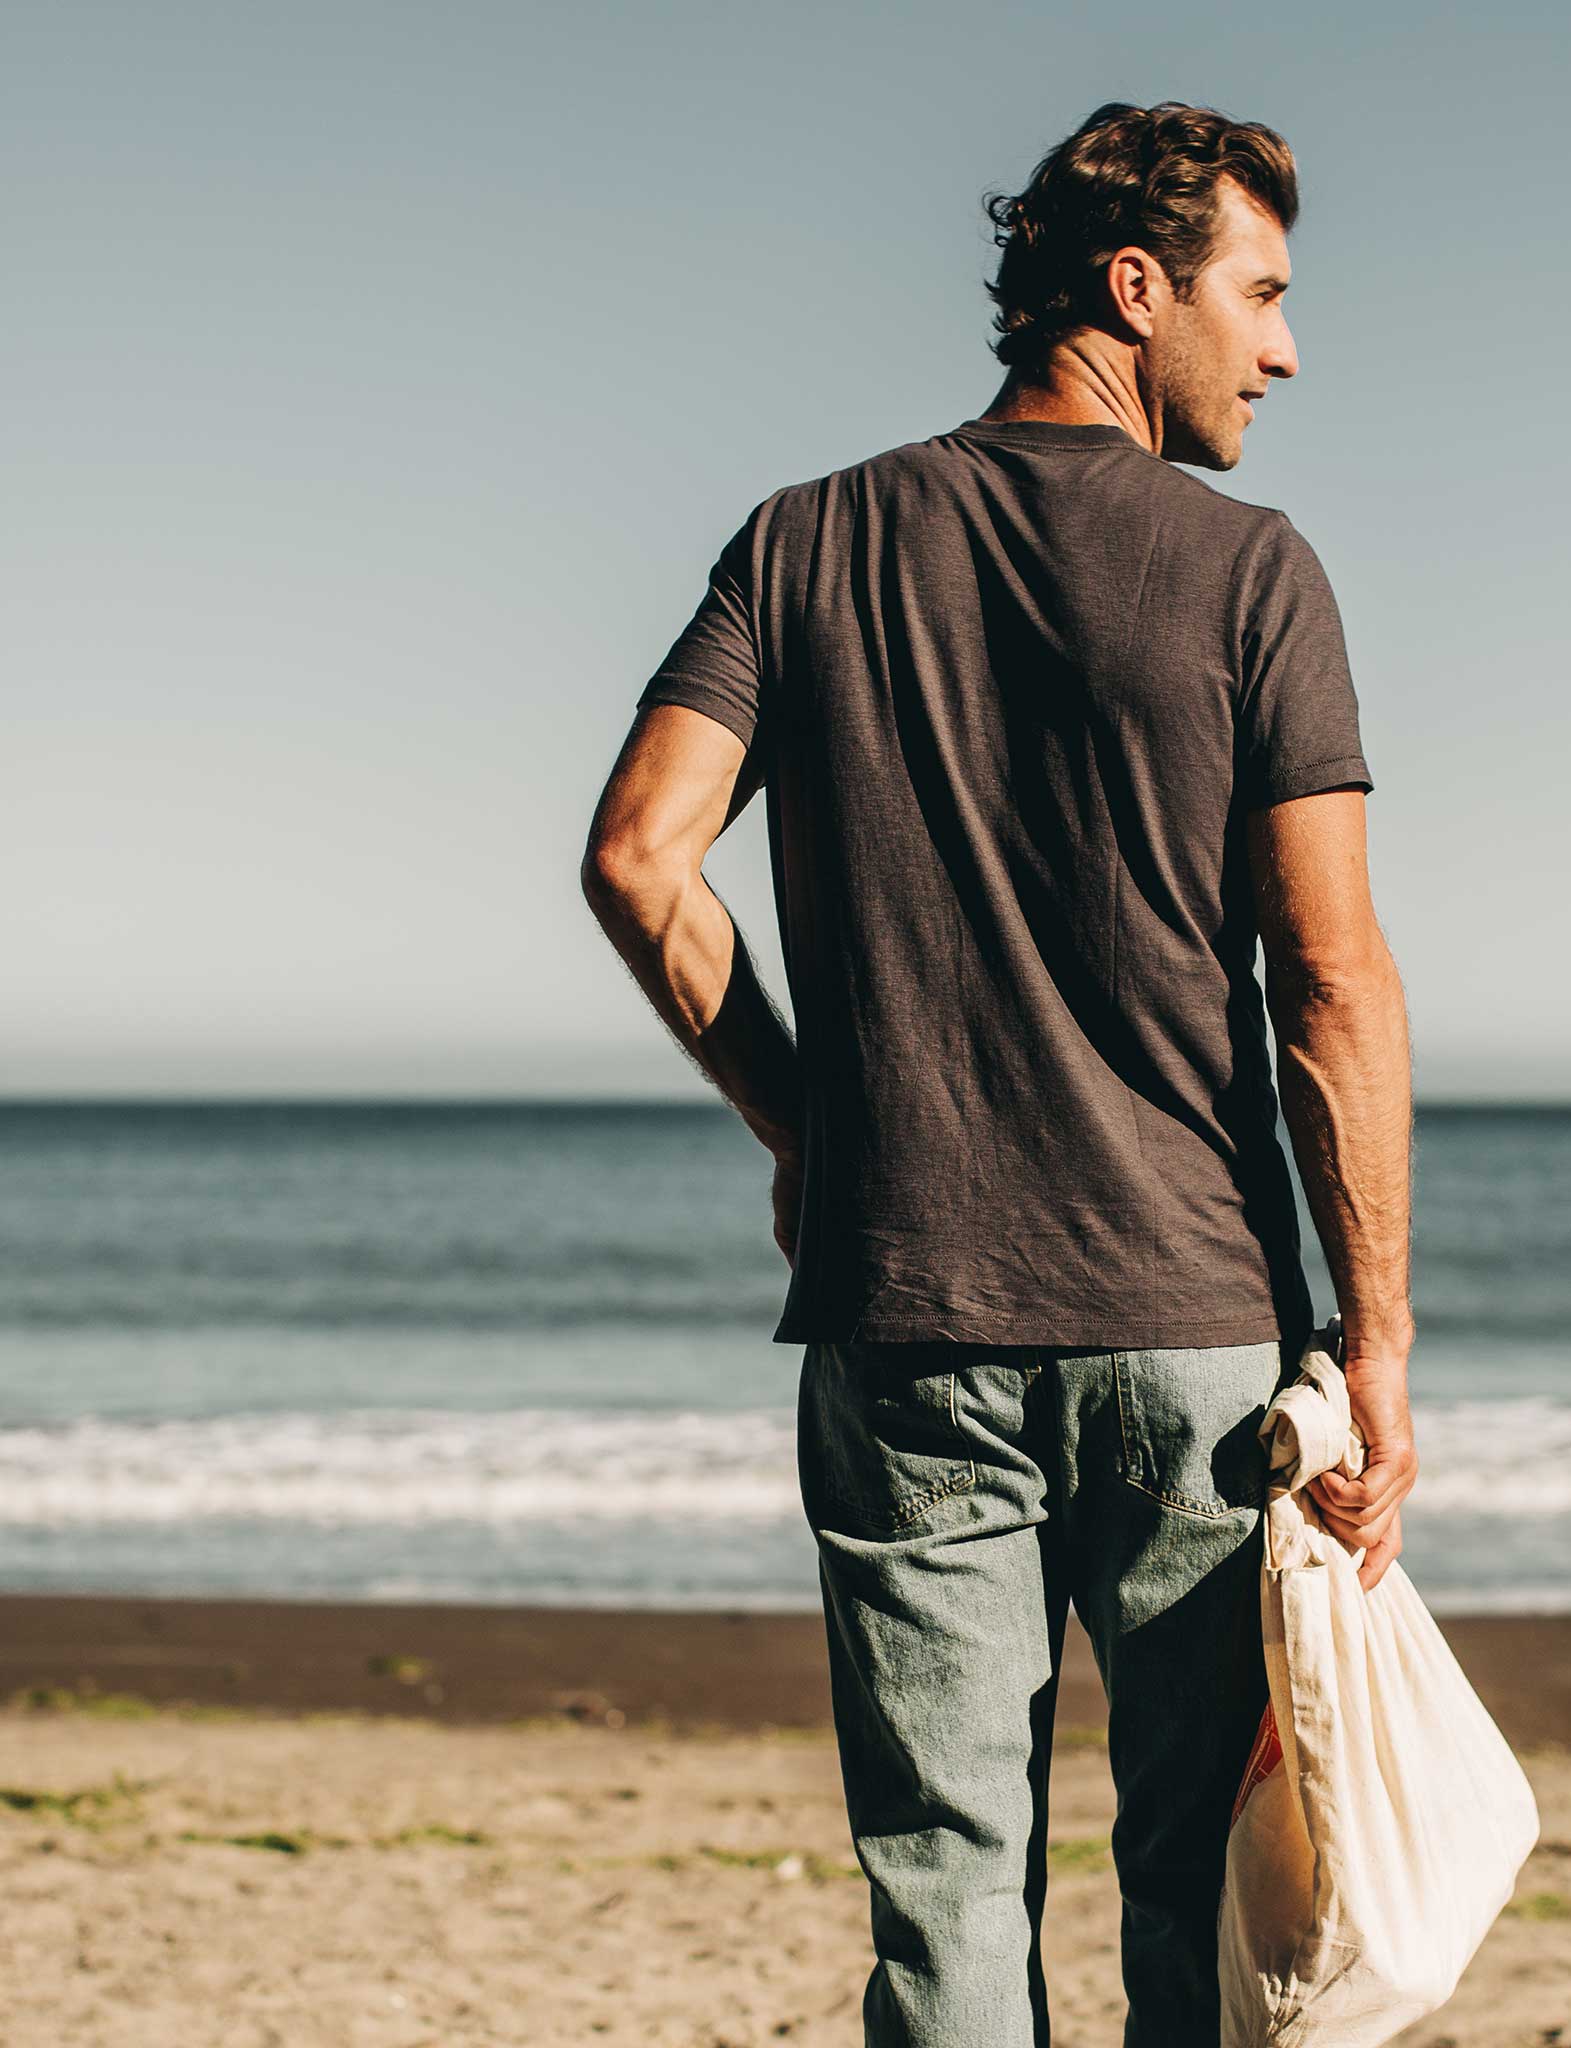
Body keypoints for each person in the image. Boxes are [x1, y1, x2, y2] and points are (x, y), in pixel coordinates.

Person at [581, 98, 1419, 2048]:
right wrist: (1376, 1335)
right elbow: (1333, 978)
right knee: (1203, 1906)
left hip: (909, 1319)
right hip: (1194, 1336)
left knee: (949, 1898)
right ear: (1136, 290)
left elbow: (639, 857)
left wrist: (809, 1124)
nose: (1283, 349)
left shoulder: (802, 543)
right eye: (1262, 296)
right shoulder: (1251, 574)